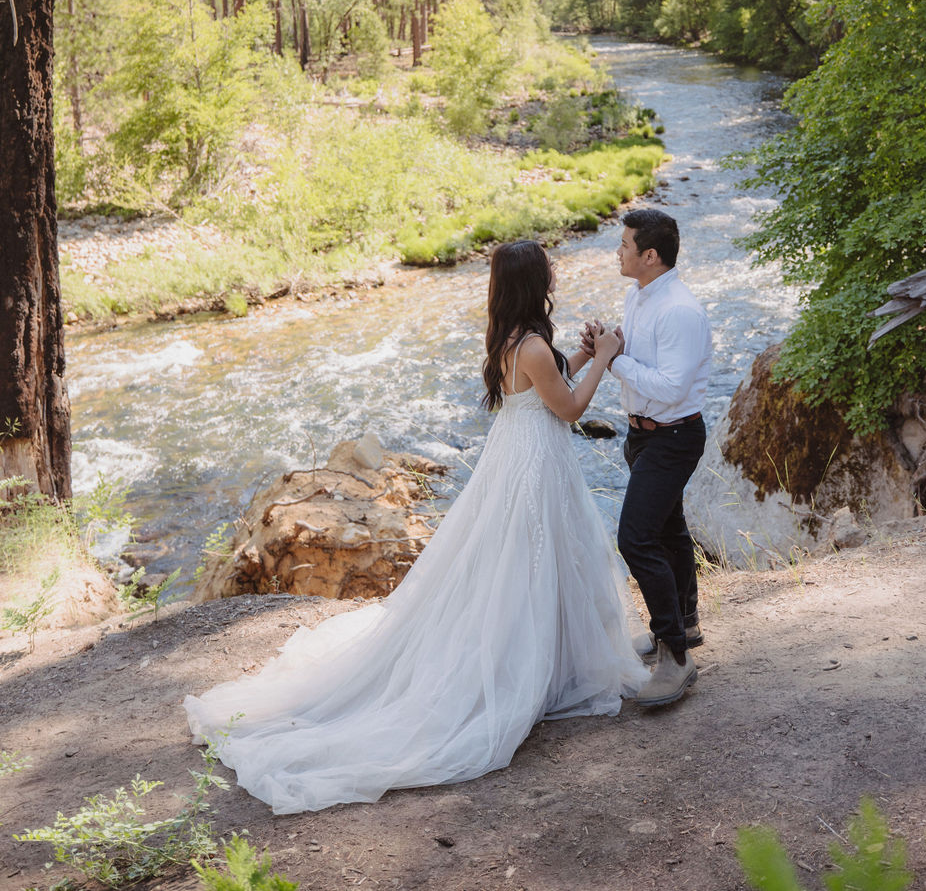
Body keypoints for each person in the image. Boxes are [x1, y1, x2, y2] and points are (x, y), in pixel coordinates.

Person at [184, 239, 645, 813]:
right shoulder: (531, 346)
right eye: (547, 268)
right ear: (535, 282)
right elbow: (571, 409)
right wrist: (603, 355)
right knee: (533, 559)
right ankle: (533, 668)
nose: (554, 272)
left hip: (519, 455)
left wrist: (576, 360)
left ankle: (551, 661)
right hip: (533, 465)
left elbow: (545, 390)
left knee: (518, 561)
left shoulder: (512, 339)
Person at [585, 207, 711, 708]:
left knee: (635, 539)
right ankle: (686, 623)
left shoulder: (680, 309)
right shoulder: (637, 295)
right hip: (642, 436)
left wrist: (613, 361)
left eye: (624, 245)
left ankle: (675, 657)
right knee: (667, 531)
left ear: (650, 256)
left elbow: (672, 385)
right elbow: (637, 358)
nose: (618, 251)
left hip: (674, 436)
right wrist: (605, 344)